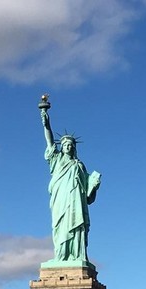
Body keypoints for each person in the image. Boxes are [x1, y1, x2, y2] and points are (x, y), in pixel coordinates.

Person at [41, 108, 101, 264]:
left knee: (77, 225)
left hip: (76, 201)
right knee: (61, 226)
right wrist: (46, 124)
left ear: (74, 148)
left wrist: (94, 185)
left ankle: (77, 255)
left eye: (70, 145)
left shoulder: (79, 165)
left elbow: (88, 194)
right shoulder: (57, 159)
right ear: (61, 147)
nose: (67, 147)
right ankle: (61, 256)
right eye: (65, 144)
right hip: (61, 198)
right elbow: (49, 140)